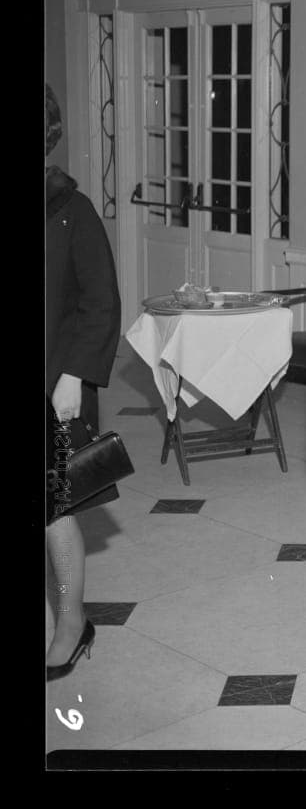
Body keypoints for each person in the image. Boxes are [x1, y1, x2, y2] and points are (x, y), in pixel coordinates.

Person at [45, 83, 123, 681]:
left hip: (54, 380)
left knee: (55, 509)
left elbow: (100, 302)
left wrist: (75, 375)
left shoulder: (70, 208)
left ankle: (70, 624)